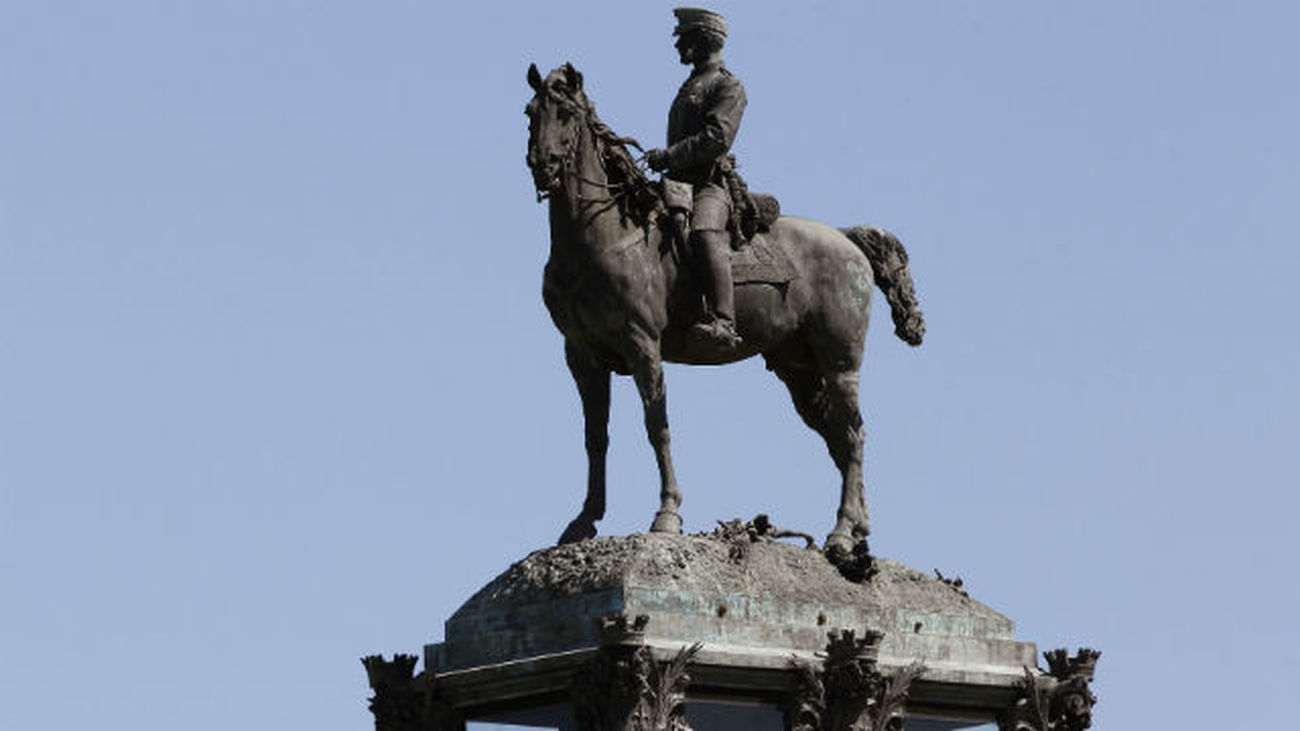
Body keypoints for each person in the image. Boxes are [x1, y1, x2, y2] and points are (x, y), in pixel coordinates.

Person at [645, 7, 746, 349]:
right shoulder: (690, 84)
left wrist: (669, 155)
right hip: (676, 184)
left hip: (708, 185)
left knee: (704, 234)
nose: (677, 47)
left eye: (683, 39)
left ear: (702, 40)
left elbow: (717, 138)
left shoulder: (727, 85)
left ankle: (724, 321)